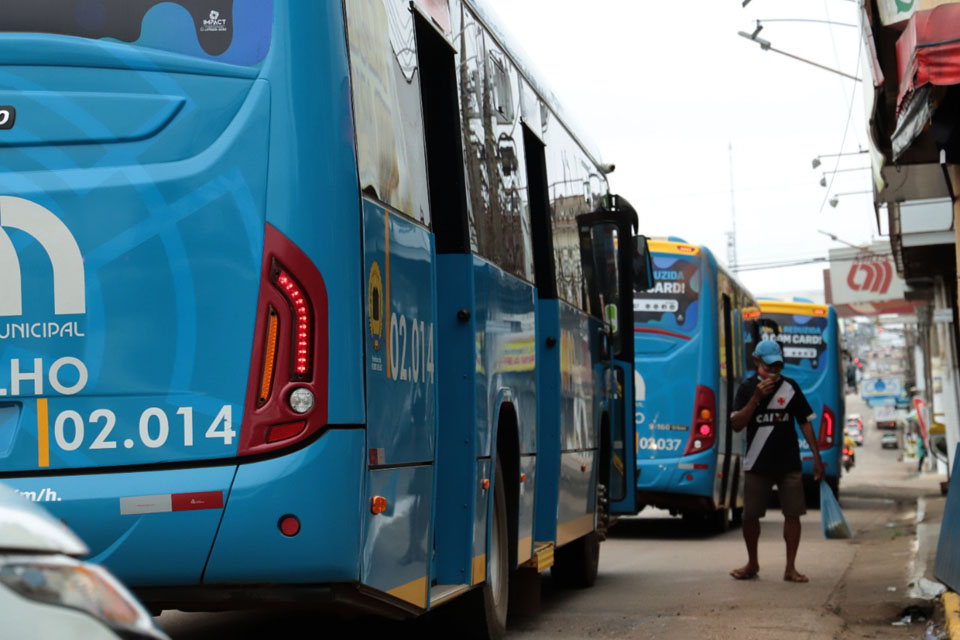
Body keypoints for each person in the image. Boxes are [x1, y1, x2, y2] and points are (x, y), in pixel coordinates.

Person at [729, 340, 824, 583]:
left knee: (793, 514)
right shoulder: (747, 388)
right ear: (756, 362)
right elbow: (736, 424)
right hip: (756, 462)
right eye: (769, 366)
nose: (773, 371)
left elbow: (805, 422)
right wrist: (756, 398)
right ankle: (752, 563)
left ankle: (790, 568)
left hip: (788, 462)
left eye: (778, 366)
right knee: (750, 516)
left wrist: (816, 457)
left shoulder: (790, 387)